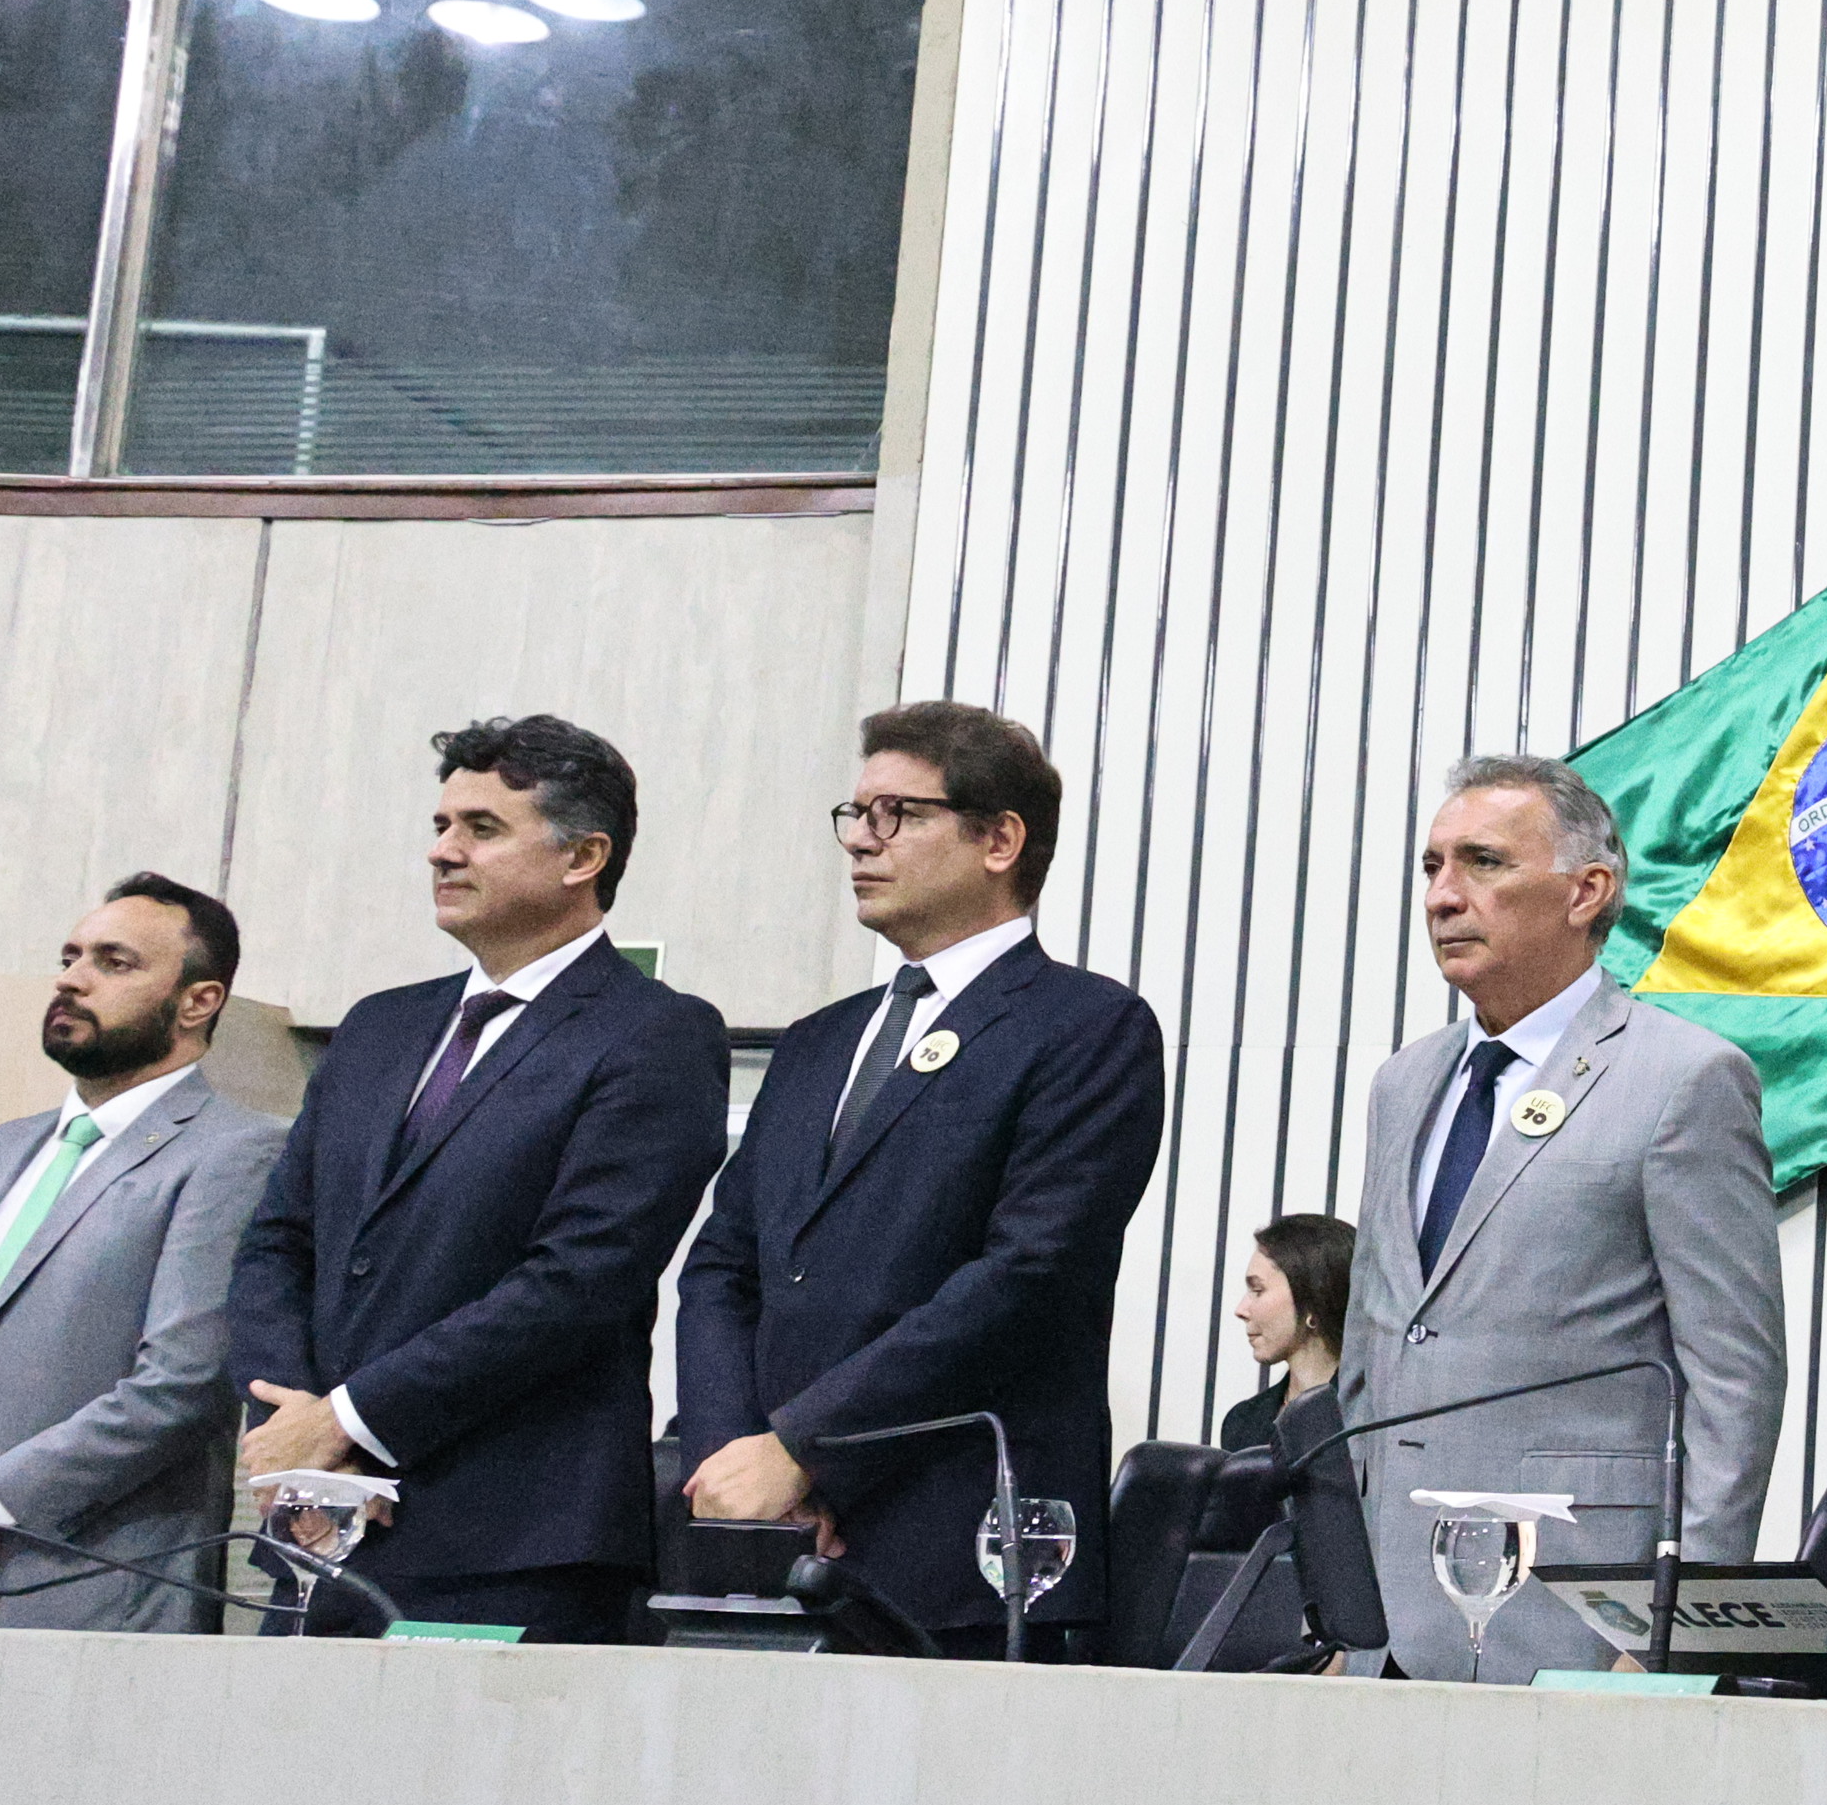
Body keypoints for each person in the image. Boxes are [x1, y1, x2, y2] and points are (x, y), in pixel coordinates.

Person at [671, 705, 1169, 1653]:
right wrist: (735, 1465)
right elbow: (722, 1268)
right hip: (763, 1545)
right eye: (854, 814)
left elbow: (1025, 1276)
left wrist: (806, 1451)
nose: (861, 840)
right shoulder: (819, 1042)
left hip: (961, 1545)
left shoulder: (1085, 1028)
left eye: (896, 813)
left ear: (999, 839)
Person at [229, 715, 733, 1642]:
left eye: (481, 829)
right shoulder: (380, 1028)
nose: (442, 853)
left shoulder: (653, 1034)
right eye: (440, 826)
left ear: (584, 856)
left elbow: (580, 1278)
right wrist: (296, 1433)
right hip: (321, 1520)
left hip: (513, 1537)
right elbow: (278, 1241)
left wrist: (350, 1419)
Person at [1310, 753, 1784, 1677]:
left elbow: (1734, 1381)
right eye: (1432, 866)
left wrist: (1671, 1631)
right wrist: (1341, 1606)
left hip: (1575, 1617)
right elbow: (1375, 1345)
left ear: (1586, 892)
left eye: (1484, 863)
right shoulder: (1406, 1081)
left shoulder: (1683, 1079)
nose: (1444, 896)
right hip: (1388, 1620)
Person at [0, 877, 283, 1634]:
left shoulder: (237, 1153)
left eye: (114, 961)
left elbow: (180, 1386)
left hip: (87, 1596)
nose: (72, 978)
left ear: (198, 1001)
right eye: (71, 956)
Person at [1216, 1214, 1355, 1453]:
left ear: (1313, 1301)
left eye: (1257, 1290)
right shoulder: (1243, 1423)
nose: (1241, 1310)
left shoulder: (1373, 1420)